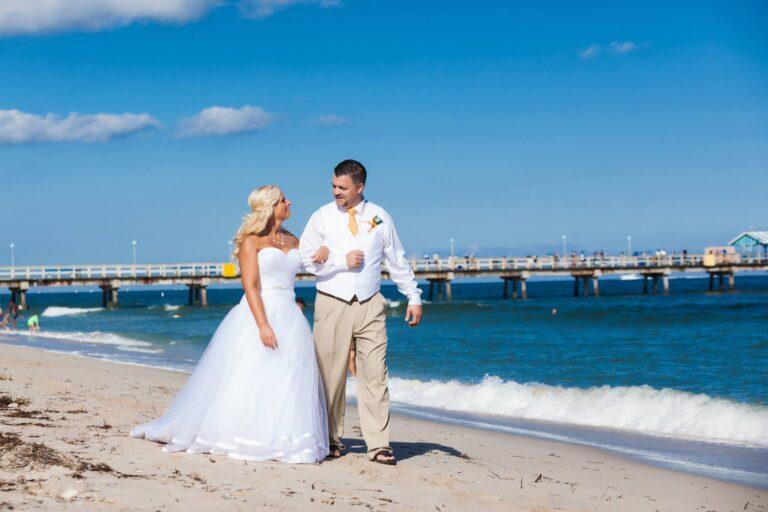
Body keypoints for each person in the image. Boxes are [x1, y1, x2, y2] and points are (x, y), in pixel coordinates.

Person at [131, 186, 331, 464]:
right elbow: (250, 286)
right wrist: (263, 325)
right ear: (271, 206)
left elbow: (313, 263)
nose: (290, 202)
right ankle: (244, 433)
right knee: (250, 375)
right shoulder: (252, 242)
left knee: (288, 377)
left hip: (290, 313)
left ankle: (284, 437)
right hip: (261, 311)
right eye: (283, 200)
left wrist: (322, 251)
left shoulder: (293, 239)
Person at [299, 159, 423, 465]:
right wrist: (341, 261)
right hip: (331, 301)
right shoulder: (322, 217)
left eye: (342, 187)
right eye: (333, 185)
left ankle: (379, 445)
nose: (335, 191)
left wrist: (413, 296)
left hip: (370, 303)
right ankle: (330, 439)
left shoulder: (379, 217)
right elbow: (304, 259)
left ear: (360, 187)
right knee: (330, 375)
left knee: (375, 374)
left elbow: (396, 258)